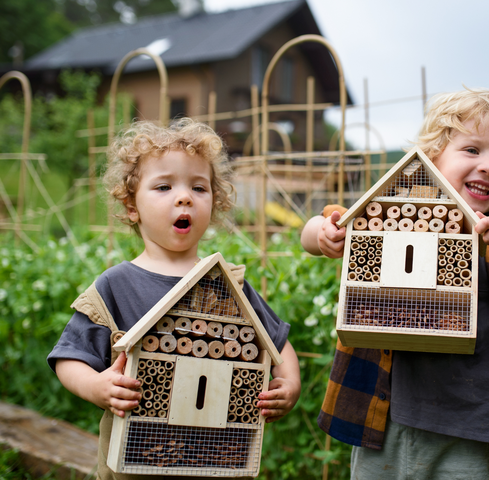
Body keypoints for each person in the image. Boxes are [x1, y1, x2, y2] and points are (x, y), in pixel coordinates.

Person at [301, 88, 489, 479]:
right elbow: (320, 226)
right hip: (384, 412)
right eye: (473, 150)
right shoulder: (394, 215)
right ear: (433, 156)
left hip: (467, 422)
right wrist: (323, 236)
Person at [48, 118, 301, 480]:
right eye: (164, 186)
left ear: (214, 203)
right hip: (136, 464)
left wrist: (288, 384)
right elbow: (69, 358)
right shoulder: (116, 285)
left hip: (218, 455)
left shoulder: (227, 283)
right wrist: (97, 386)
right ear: (131, 205)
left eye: (198, 188)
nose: (184, 196)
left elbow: (277, 344)